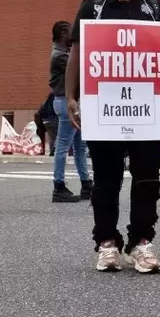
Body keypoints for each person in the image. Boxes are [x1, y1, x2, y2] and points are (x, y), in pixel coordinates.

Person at [64, 0, 160, 274]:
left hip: (146, 109)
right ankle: (106, 242)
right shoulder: (93, 6)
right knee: (106, 180)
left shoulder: (155, 5)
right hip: (105, 110)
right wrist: (71, 96)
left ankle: (141, 242)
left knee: (147, 177)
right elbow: (77, 54)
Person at [49, 20, 91, 203]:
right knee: (63, 147)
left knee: (80, 147)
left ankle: (86, 184)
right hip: (65, 104)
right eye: (71, 32)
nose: (74, 35)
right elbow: (81, 72)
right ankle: (58, 186)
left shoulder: (62, 54)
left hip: (70, 103)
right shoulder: (60, 56)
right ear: (64, 33)